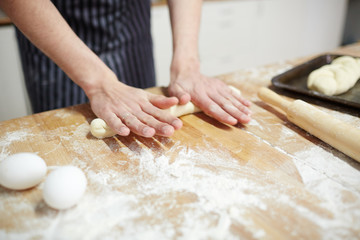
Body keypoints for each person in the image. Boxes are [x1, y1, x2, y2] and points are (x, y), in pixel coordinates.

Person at [0, 0, 252, 138]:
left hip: (130, 29)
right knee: (65, 140)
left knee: (146, 119)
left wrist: (186, 64)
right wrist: (98, 83)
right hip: (57, 37)